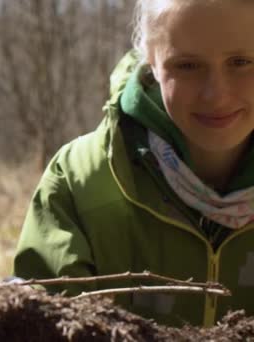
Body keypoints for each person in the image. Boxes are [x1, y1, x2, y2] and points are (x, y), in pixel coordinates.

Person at [13, 0, 254, 327]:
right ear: (151, 62)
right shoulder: (79, 180)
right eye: (187, 66)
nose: (216, 95)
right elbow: (43, 327)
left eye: (241, 62)